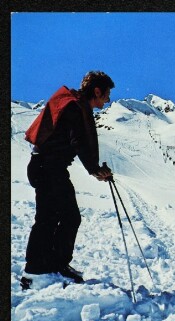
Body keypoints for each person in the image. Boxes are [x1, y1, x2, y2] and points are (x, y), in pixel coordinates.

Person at [22, 71, 115, 285]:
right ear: (97, 91)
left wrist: (94, 168)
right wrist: (94, 169)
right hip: (48, 168)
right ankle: (47, 266)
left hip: (45, 167)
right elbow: (79, 141)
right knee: (67, 217)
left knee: (50, 217)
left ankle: (42, 266)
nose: (108, 100)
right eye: (106, 94)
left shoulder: (73, 104)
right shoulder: (74, 108)